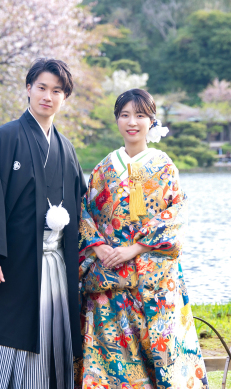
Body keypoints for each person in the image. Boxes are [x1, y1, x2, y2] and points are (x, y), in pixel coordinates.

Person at [0, 58, 87, 389]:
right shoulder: (4, 138)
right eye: (42, 87)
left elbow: (82, 207)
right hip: (10, 263)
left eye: (57, 91)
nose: (48, 96)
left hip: (54, 264)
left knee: (49, 339)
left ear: (64, 98)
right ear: (28, 88)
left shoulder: (66, 149)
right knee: (1, 336)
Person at [79, 89, 208, 389]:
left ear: (152, 121)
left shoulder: (164, 167)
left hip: (155, 277)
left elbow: (174, 215)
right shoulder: (103, 168)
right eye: (124, 115)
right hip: (109, 277)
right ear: (116, 120)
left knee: (161, 351)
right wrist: (99, 249)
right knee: (109, 355)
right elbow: (85, 212)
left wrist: (133, 250)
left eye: (139, 115)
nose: (131, 122)